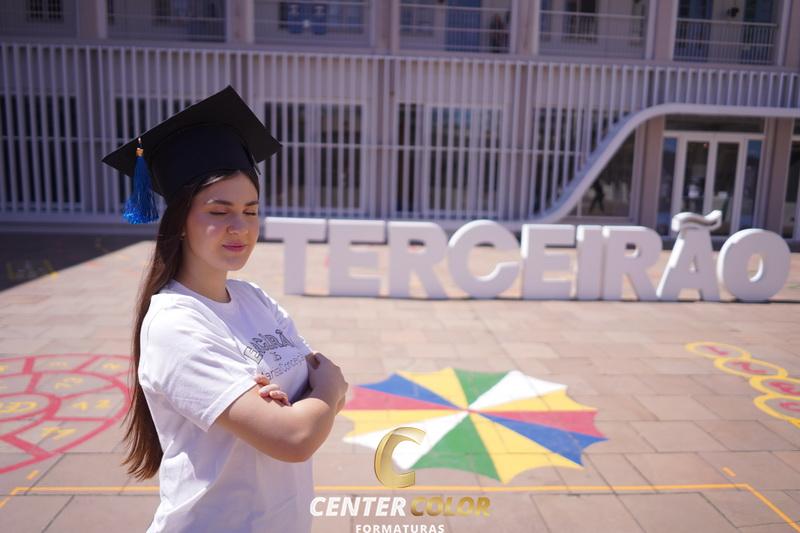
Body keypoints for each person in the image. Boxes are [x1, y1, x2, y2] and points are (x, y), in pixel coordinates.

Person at [102, 85, 349, 533]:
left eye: (251, 211)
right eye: (219, 211)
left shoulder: (254, 298)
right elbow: (296, 436)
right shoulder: (176, 324)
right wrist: (325, 390)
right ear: (179, 221)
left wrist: (299, 403)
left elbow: (311, 401)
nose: (240, 227)